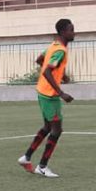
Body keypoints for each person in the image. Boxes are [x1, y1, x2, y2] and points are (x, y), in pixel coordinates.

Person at [17, 19, 76, 178]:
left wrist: (62, 75)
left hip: (42, 91)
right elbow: (47, 71)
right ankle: (42, 166)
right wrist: (61, 93)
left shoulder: (53, 46)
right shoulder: (60, 50)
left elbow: (40, 60)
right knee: (57, 129)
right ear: (63, 32)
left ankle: (26, 157)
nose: (73, 33)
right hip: (50, 95)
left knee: (48, 127)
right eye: (71, 30)